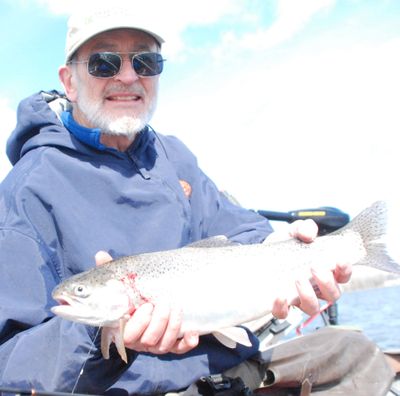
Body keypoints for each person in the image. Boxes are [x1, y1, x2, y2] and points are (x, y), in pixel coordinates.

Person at [0, 6, 354, 395]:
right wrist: (101, 336)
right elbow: (9, 356)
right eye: (103, 63)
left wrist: (281, 249)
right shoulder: (27, 190)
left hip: (235, 371)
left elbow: (240, 230)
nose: (128, 75)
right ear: (69, 82)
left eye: (146, 61)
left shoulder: (172, 155)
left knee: (353, 350)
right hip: (134, 388)